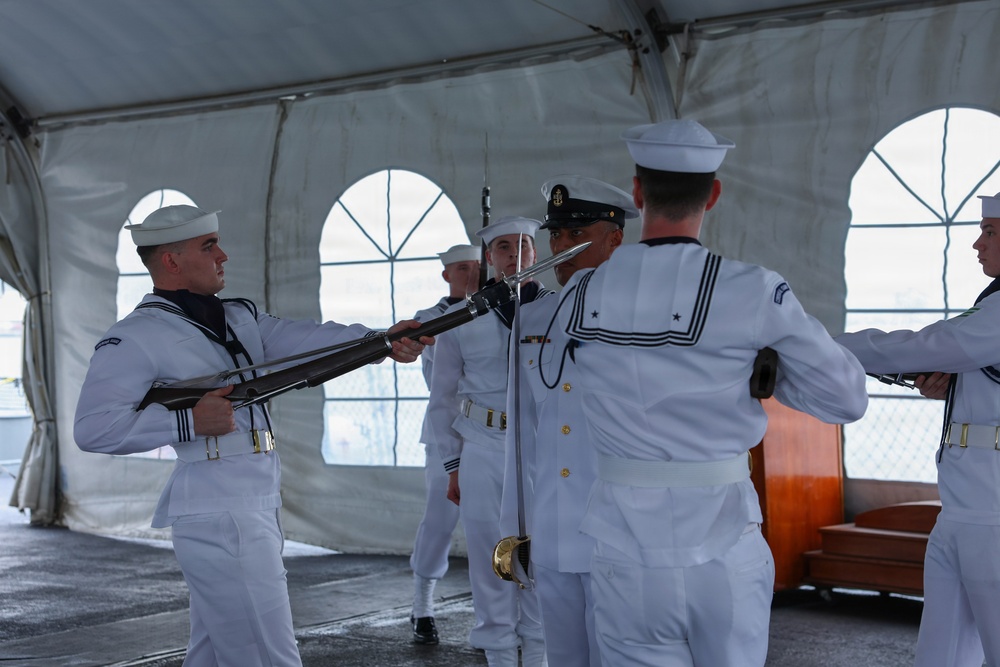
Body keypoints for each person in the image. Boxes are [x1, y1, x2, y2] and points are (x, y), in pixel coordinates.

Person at [550, 120, 869, 666]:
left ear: (637, 192)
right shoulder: (752, 289)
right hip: (722, 544)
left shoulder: (581, 292)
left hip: (621, 551)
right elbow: (847, 399)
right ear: (714, 194)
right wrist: (763, 373)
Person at [73, 205, 429, 667]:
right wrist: (189, 423)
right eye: (208, 246)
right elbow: (94, 427)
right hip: (220, 510)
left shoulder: (238, 317)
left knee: (214, 654)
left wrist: (381, 339)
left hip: (252, 500)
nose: (223, 254)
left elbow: (308, 339)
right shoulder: (136, 336)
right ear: (171, 262)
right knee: (268, 655)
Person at [837, 191, 1000, 667]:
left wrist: (818, 347)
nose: (977, 244)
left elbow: (924, 345)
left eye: (989, 232)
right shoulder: (990, 304)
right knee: (940, 652)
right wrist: (953, 385)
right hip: (964, 506)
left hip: (991, 511)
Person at [498, 175, 636, 667]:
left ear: (615, 238)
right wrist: (514, 524)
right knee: (563, 658)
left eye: (576, 233)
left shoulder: (641, 314)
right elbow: (522, 430)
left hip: (620, 531)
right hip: (554, 527)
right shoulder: (535, 319)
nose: (561, 245)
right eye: (555, 234)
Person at [425, 216, 550, 667]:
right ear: (489, 258)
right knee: (488, 556)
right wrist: (452, 464)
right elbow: (442, 399)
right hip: (481, 445)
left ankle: (537, 654)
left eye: (523, 246)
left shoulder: (554, 308)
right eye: (503, 247)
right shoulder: (463, 317)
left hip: (540, 449)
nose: (515, 254)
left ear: (536, 253)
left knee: (541, 555)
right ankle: (498, 653)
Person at [408, 243, 480, 645]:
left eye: (475, 267)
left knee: (494, 522)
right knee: (440, 518)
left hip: (492, 431)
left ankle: (498, 613)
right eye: (462, 268)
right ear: (446, 275)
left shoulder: (496, 310)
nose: (471, 274)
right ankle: (422, 605)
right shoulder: (428, 321)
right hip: (446, 430)